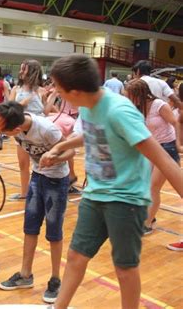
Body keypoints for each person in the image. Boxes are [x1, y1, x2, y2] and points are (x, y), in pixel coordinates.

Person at [43, 54, 183, 309]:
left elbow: (163, 159)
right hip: (96, 194)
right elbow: (92, 134)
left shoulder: (120, 111)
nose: (57, 94)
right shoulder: (87, 104)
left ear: (74, 91)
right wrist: (60, 146)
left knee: (125, 268)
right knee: (75, 256)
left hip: (125, 199)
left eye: (59, 90)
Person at [0, 101, 74, 303]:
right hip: (37, 178)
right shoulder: (9, 122)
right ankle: (25, 275)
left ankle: (55, 279)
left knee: (54, 232)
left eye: (1, 132)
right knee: (30, 228)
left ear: (16, 130)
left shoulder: (46, 129)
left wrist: (54, 158)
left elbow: (70, 151)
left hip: (57, 181)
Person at [126, 79, 181, 235]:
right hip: (153, 148)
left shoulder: (159, 105)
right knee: (144, 185)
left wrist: (178, 144)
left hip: (168, 149)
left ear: (140, 94)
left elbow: (175, 122)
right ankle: (150, 215)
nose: (128, 99)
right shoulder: (138, 108)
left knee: (153, 187)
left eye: (130, 95)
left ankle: (148, 224)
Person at [7, 59, 46, 201]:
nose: (21, 72)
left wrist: (53, 97)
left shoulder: (41, 91)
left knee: (42, 164)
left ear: (32, 72)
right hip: (21, 133)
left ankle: (42, 192)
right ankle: (24, 193)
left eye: (24, 69)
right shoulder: (16, 90)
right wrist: (22, 104)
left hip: (40, 133)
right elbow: (9, 109)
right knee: (23, 164)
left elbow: (46, 111)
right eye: (21, 69)